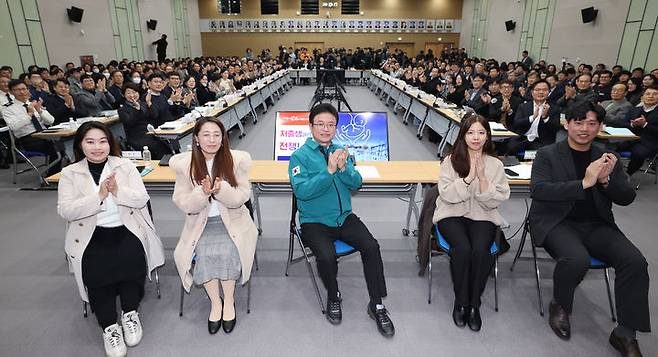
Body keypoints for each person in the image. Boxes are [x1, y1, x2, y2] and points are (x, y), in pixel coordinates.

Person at [529, 101, 649, 356]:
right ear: (567, 124)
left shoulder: (607, 157)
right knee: (576, 259)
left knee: (635, 262)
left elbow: (627, 197)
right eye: (579, 122)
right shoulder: (547, 154)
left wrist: (606, 181)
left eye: (592, 123)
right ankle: (560, 305)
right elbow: (539, 190)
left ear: (600, 126)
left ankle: (625, 333)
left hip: (596, 224)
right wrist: (583, 183)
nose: (585, 128)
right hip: (556, 222)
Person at [57, 121, 165, 357]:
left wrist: (117, 192)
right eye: (90, 142)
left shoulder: (125, 166)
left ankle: (129, 313)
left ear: (110, 142)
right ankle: (109, 326)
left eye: (103, 141)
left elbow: (140, 198)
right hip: (91, 234)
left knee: (132, 269)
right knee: (97, 278)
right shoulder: (69, 173)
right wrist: (100, 196)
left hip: (127, 228)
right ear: (80, 145)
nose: (97, 147)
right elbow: (66, 210)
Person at [288, 103, 395, 337]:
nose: (326, 129)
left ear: (336, 127)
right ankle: (333, 294)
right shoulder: (299, 157)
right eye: (321, 124)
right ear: (311, 126)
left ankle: (376, 304)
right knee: (326, 256)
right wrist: (328, 171)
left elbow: (356, 183)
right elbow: (303, 192)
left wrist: (345, 168)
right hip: (314, 221)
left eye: (331, 125)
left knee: (372, 246)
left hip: (344, 218)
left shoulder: (341, 149)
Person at [170, 117, 257, 335]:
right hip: (201, 223)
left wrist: (221, 191)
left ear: (223, 138)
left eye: (217, 135)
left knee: (228, 250)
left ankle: (228, 301)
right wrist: (202, 192)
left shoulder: (235, 161)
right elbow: (182, 202)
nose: (212, 140)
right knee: (204, 253)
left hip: (234, 222)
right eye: (206, 135)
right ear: (196, 139)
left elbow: (242, 196)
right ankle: (215, 304)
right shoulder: (185, 165)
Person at [433, 114, 510, 331]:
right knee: (463, 249)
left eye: (481, 132)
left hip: (483, 215)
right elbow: (446, 195)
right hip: (452, 214)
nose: (476, 137)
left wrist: (483, 179)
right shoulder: (451, 161)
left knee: (481, 250)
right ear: (463, 135)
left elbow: (499, 198)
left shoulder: (495, 164)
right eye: (470, 132)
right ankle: (461, 301)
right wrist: (468, 179)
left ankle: (474, 304)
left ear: (488, 136)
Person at [1, 79, 61, 176]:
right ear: (11, 92)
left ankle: (60, 171)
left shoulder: (33, 103)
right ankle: (51, 175)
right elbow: (14, 127)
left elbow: (50, 121)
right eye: (17, 90)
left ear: (28, 89)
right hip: (28, 138)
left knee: (70, 142)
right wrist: (29, 114)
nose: (21, 92)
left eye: (24, 89)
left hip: (45, 134)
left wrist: (39, 110)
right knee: (58, 148)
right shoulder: (8, 108)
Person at [118, 82, 171, 158]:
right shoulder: (122, 109)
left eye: (134, 92)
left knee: (165, 144)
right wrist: (137, 110)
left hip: (151, 134)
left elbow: (155, 115)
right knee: (155, 146)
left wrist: (149, 102)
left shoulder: (143, 104)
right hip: (137, 137)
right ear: (124, 95)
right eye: (128, 93)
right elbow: (129, 122)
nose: (132, 95)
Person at [508, 80, 560, 154]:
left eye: (544, 90)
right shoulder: (523, 106)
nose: (541, 92)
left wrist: (545, 117)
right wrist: (532, 117)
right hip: (523, 138)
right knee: (510, 148)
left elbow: (556, 128)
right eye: (537, 90)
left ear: (548, 93)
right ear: (532, 92)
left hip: (541, 141)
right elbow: (516, 123)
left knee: (542, 155)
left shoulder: (554, 108)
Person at [624, 85, 658, 176]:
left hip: (649, 142)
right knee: (609, 145)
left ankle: (627, 175)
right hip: (629, 138)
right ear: (642, 97)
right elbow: (623, 123)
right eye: (648, 94)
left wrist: (645, 125)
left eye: (654, 94)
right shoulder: (634, 109)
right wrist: (632, 124)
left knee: (638, 154)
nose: (650, 96)